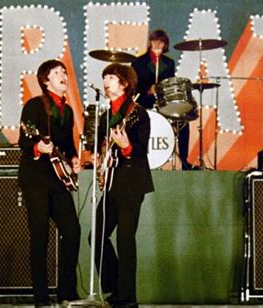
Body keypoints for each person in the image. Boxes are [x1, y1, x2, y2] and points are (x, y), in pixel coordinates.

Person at [18, 59, 81, 306]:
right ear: (46, 80)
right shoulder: (34, 105)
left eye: (64, 72)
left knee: (72, 230)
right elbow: (24, 139)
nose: (63, 75)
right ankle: (41, 297)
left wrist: (74, 158)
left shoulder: (67, 110)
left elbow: (66, 143)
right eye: (57, 72)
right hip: (36, 179)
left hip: (58, 180)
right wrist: (37, 146)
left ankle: (66, 292)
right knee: (40, 235)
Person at [91, 63, 154, 307]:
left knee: (126, 239)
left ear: (125, 83)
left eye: (111, 77)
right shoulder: (107, 115)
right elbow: (101, 146)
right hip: (111, 183)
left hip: (131, 182)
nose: (106, 81)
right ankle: (115, 287)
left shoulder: (137, 112)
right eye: (104, 76)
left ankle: (127, 297)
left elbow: (140, 149)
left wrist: (126, 146)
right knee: (95, 236)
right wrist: (98, 156)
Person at [131, 29, 195, 170]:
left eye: (161, 42)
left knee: (183, 123)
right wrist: (148, 90)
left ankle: (184, 161)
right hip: (144, 105)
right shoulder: (138, 63)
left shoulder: (169, 63)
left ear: (165, 44)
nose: (157, 44)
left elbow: (169, 85)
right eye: (155, 41)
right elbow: (134, 88)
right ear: (150, 42)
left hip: (162, 105)